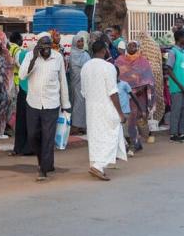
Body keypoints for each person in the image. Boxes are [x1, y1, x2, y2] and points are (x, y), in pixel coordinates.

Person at [19, 33, 70, 182]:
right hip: (33, 103)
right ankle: (45, 162)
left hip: (52, 104)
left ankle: (43, 169)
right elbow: (22, 76)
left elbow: (63, 81)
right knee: (33, 136)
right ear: (38, 47)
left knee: (48, 137)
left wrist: (66, 104)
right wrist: (34, 58)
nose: (46, 49)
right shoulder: (30, 56)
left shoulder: (58, 58)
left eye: (49, 45)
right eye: (43, 46)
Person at [80, 41, 126, 181]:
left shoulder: (85, 67)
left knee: (95, 137)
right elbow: (113, 92)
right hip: (106, 107)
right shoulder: (109, 67)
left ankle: (95, 164)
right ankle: (98, 166)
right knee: (112, 135)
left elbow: (83, 92)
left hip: (91, 108)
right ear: (104, 50)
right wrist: (120, 113)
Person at [115, 40, 155, 152]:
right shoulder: (119, 60)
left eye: (134, 45)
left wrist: (140, 88)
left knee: (136, 119)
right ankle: (133, 143)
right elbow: (115, 75)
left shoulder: (143, 61)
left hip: (139, 96)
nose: (131, 47)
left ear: (138, 47)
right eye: (129, 45)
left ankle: (134, 143)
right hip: (124, 95)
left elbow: (149, 79)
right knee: (129, 120)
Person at [165, 30, 184, 142]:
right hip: (177, 87)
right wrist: (180, 85)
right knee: (176, 110)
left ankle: (181, 132)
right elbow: (169, 70)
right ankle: (173, 134)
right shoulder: (173, 52)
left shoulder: (183, 52)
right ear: (179, 38)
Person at [139, 32, 166, 137]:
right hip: (156, 75)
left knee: (144, 101)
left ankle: (145, 129)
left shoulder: (140, 45)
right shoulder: (155, 45)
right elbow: (160, 61)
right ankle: (152, 130)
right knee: (154, 100)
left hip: (144, 76)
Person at [67, 31, 90, 134]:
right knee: (75, 103)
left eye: (82, 41)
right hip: (75, 83)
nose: (80, 43)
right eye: (78, 41)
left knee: (82, 103)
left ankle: (81, 126)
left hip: (84, 83)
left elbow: (89, 68)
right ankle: (75, 125)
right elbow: (72, 69)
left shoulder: (85, 54)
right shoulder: (71, 55)